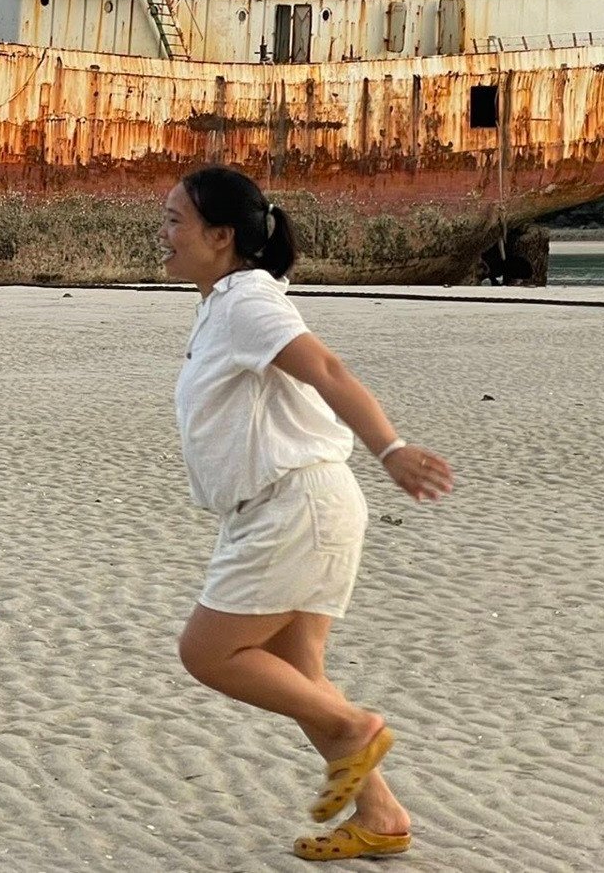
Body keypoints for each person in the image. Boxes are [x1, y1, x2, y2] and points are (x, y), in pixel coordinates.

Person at [159, 166, 454, 863]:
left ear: (222, 236)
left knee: (209, 653)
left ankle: (356, 725)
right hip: (293, 507)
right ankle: (381, 814)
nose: (162, 234)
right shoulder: (223, 301)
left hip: (294, 506)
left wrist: (393, 449)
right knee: (300, 674)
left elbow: (328, 370)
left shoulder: (246, 302)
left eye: (175, 220)